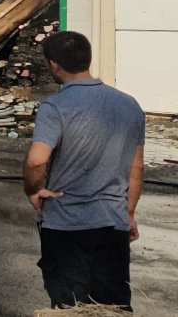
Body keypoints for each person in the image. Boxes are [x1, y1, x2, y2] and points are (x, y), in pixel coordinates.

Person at [23, 31, 145, 310]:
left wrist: (33, 189)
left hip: (66, 225)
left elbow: (35, 160)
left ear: (54, 65)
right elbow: (136, 167)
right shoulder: (129, 104)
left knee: (70, 308)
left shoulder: (54, 106)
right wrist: (129, 214)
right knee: (111, 308)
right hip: (112, 223)